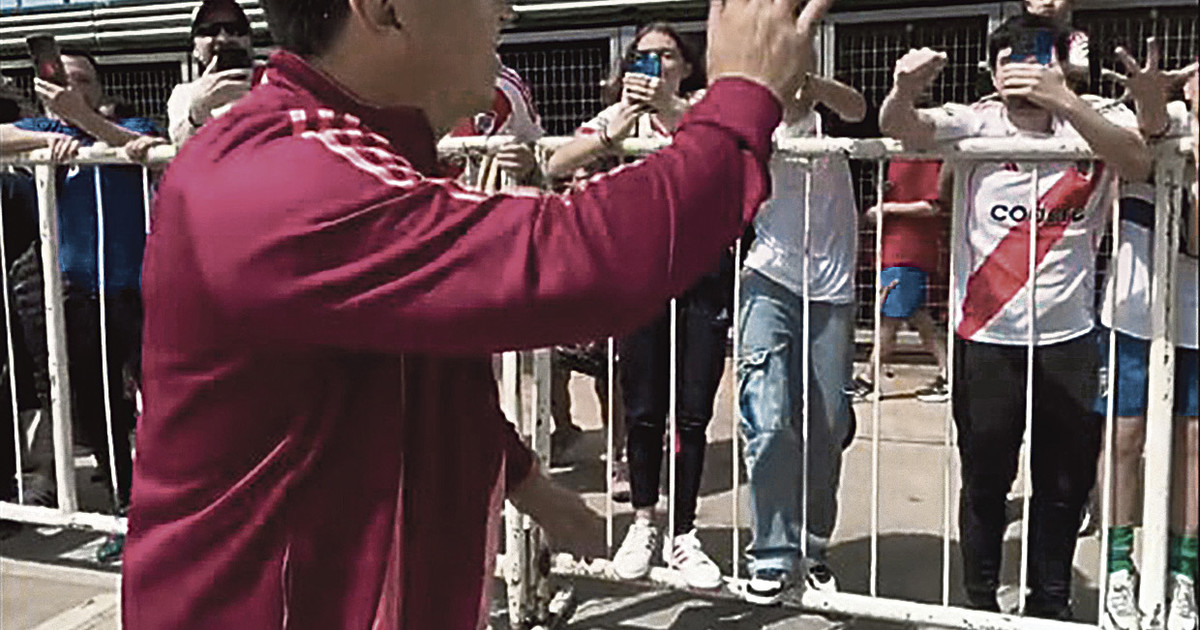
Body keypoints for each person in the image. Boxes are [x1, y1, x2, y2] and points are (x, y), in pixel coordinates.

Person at [121, 0, 834, 626]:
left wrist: (525, 480)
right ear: (385, 9)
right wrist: (740, 99)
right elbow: (578, 262)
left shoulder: (354, 152)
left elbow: (423, 358)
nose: (505, 11)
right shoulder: (278, 175)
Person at [881, 14, 1151, 620]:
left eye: (1034, 57)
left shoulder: (1093, 117)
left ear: (1058, 63)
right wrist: (904, 89)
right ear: (991, 69)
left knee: (1063, 486)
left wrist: (1064, 99)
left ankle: (1049, 605)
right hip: (985, 338)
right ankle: (980, 604)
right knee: (986, 482)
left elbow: (1136, 161)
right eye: (1007, 59)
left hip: (1069, 339)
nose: (1020, 71)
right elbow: (902, 128)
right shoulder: (976, 121)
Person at [547, 22, 731, 590]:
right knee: (644, 409)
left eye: (666, 56)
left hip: (702, 275)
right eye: (644, 56)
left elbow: (722, 153)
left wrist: (670, 110)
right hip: (641, 275)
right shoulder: (619, 116)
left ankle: (685, 533)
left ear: (687, 65)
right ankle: (644, 521)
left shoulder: (702, 110)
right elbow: (556, 163)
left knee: (692, 413)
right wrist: (614, 131)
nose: (654, 65)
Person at [0, 51, 160, 532]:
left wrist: (84, 121)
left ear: (100, 88)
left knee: (157, 398)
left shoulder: (128, 124)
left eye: (83, 81)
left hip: (137, 291)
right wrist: (46, 138)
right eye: (63, 81)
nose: (72, 89)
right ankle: (124, 505)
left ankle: (168, 500)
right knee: (95, 403)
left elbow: (149, 146)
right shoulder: (49, 133)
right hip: (76, 292)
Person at [737, 69, 865, 604]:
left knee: (829, 425)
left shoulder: (829, 119)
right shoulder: (752, 124)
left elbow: (859, 109)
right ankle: (771, 551)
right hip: (768, 277)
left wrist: (811, 83)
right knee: (767, 419)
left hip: (832, 290)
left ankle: (812, 547)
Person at [1095, 42, 1198, 630]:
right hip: (1133, 312)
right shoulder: (1158, 116)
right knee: (1125, 438)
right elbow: (1149, 127)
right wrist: (1155, 100)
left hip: (1196, 318)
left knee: (1192, 444)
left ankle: (1182, 575)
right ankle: (1118, 569)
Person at [852, 158, 950, 403]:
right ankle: (949, 373)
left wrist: (887, 208)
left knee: (890, 317)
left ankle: (868, 378)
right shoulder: (896, 159)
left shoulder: (922, 157)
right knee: (918, 317)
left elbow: (933, 206)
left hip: (907, 252)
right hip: (894, 249)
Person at [166, 0, 256, 145]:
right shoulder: (184, 95)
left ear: (249, 40)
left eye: (235, 29)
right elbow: (181, 148)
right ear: (195, 48)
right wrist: (198, 113)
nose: (223, 38)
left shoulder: (277, 80)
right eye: (210, 30)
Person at [1024, 0, 1089, 85]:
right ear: (1027, 3)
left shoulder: (1079, 42)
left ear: (1071, 3)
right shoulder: (1010, 40)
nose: (1048, 2)